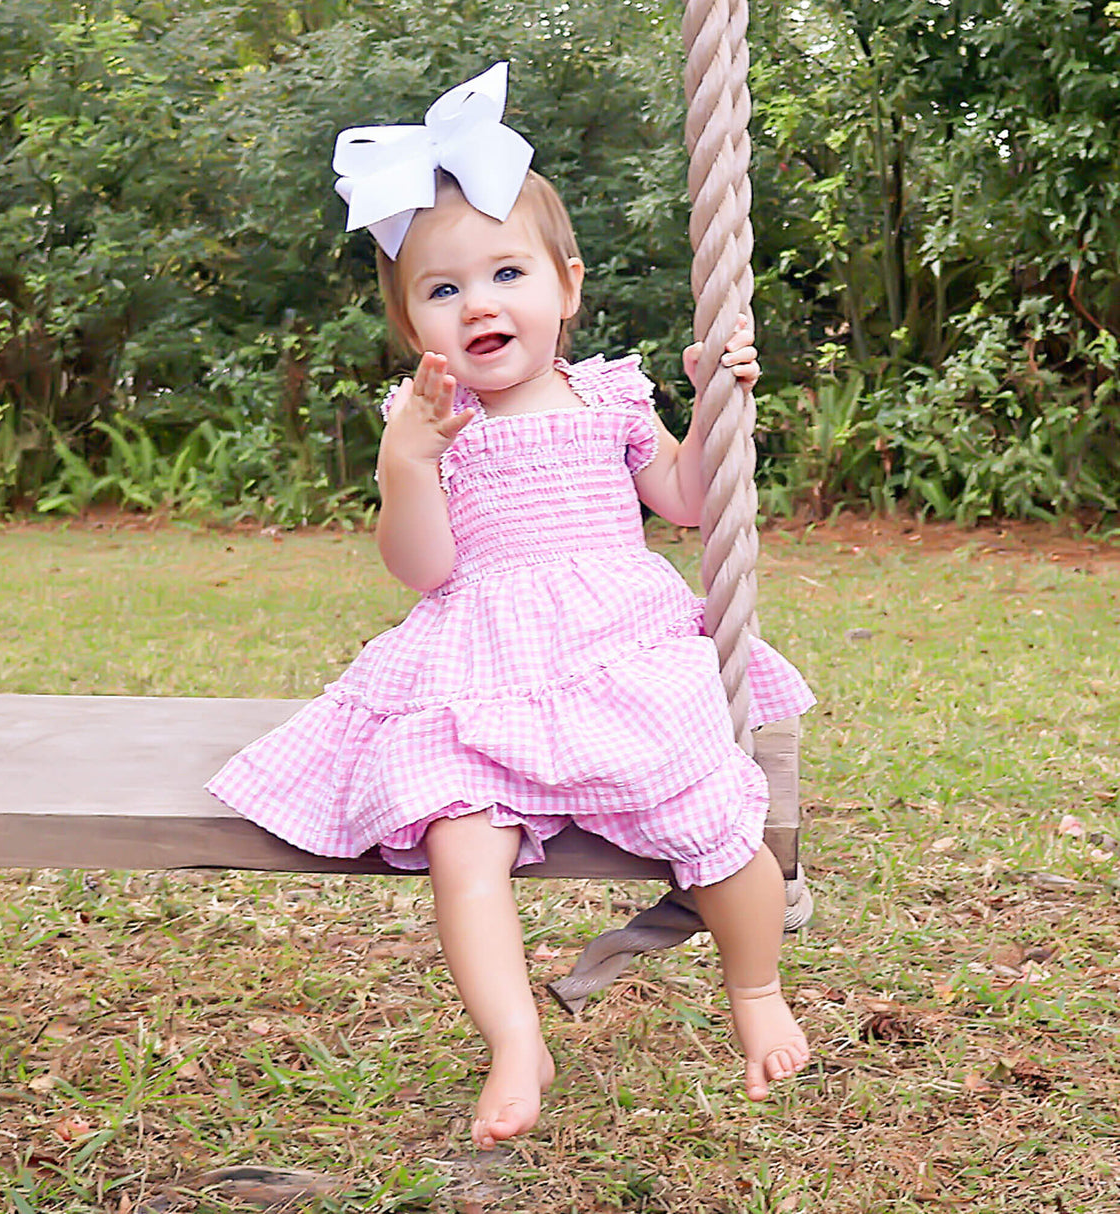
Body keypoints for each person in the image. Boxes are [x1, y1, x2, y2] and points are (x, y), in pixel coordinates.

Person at [208, 63, 814, 1151]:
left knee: (710, 812)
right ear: (411, 324)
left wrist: (718, 404)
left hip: (617, 644)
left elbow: (683, 499)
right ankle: (512, 1033)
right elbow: (422, 568)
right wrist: (408, 464)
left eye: (504, 272)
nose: (478, 302)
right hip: (479, 650)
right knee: (457, 832)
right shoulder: (429, 418)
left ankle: (754, 985)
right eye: (442, 290)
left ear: (564, 286)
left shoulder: (614, 394)